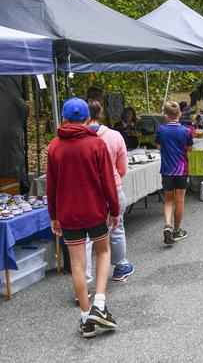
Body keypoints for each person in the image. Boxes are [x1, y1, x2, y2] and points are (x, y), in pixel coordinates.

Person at [46, 98, 120, 338]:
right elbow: (108, 181)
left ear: (64, 119)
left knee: (77, 264)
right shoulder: (96, 144)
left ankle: (86, 318)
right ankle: (100, 304)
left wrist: (54, 216)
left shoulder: (54, 147)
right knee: (103, 252)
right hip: (95, 210)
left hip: (68, 214)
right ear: (87, 118)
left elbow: (52, 186)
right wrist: (115, 209)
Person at [86, 100, 134, 282]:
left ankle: (85, 280)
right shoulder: (114, 136)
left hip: (89, 192)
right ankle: (120, 266)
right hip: (113, 187)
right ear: (101, 114)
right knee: (116, 226)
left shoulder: (77, 139)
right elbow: (122, 168)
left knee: (87, 236)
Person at [155, 101, 193, 245]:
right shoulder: (186, 131)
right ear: (180, 114)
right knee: (180, 200)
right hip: (181, 169)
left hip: (166, 170)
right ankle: (176, 231)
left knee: (168, 200)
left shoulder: (160, 129)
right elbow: (189, 149)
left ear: (165, 116)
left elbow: (159, 145)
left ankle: (167, 226)